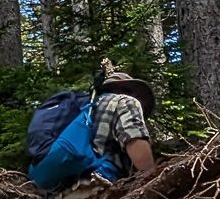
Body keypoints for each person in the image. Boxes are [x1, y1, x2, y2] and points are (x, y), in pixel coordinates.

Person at [28, 60, 157, 191]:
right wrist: (153, 184)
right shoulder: (125, 102)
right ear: (125, 89)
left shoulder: (85, 108)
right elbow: (134, 138)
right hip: (98, 189)